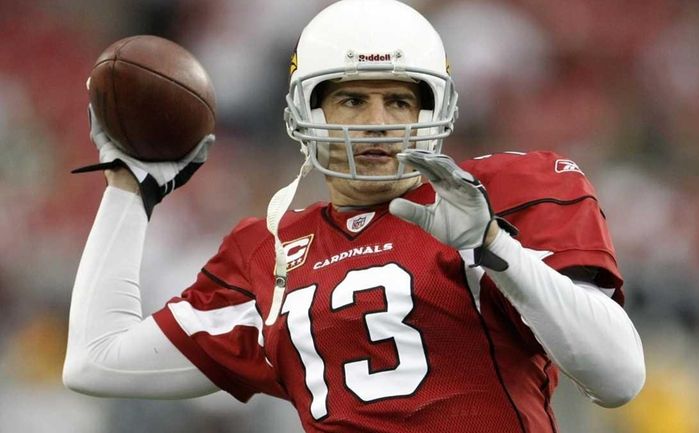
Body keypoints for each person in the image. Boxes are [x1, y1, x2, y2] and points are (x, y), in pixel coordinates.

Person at [63, 1, 646, 432]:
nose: (377, 121)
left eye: (398, 100)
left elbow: (618, 379)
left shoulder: (509, 192)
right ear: (306, 112)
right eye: (351, 100)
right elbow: (95, 362)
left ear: (433, 111)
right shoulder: (267, 251)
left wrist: (494, 246)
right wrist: (129, 188)